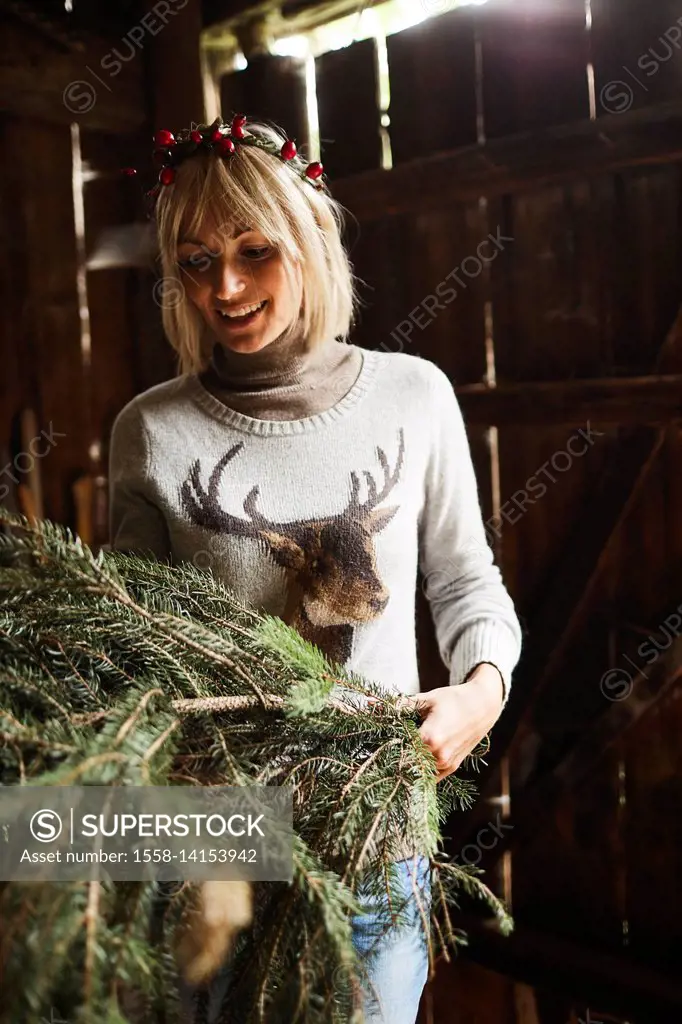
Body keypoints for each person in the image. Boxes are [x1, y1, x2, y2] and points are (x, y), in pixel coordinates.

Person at [109, 114, 523, 1024]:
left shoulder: (414, 395)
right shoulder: (151, 429)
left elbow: (464, 581)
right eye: (195, 260)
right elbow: (129, 644)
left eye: (255, 250)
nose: (226, 285)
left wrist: (478, 693)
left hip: (371, 836)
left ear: (309, 242)